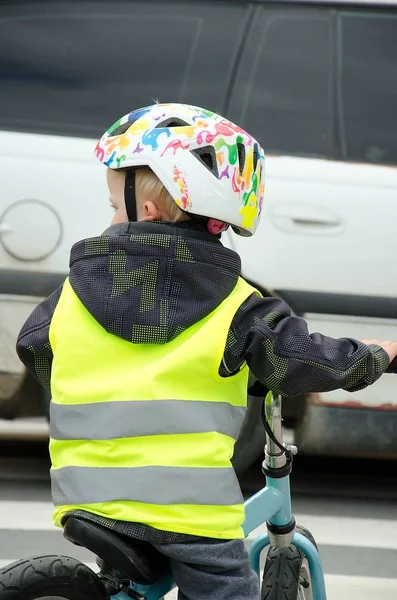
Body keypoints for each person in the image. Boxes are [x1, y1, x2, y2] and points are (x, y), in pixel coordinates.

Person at [16, 103, 397, 600]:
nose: (109, 215)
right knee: (223, 587)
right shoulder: (237, 304)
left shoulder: (71, 291)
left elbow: (33, 346)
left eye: (113, 204)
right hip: (185, 512)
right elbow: (303, 361)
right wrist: (374, 356)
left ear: (147, 209)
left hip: (88, 498)